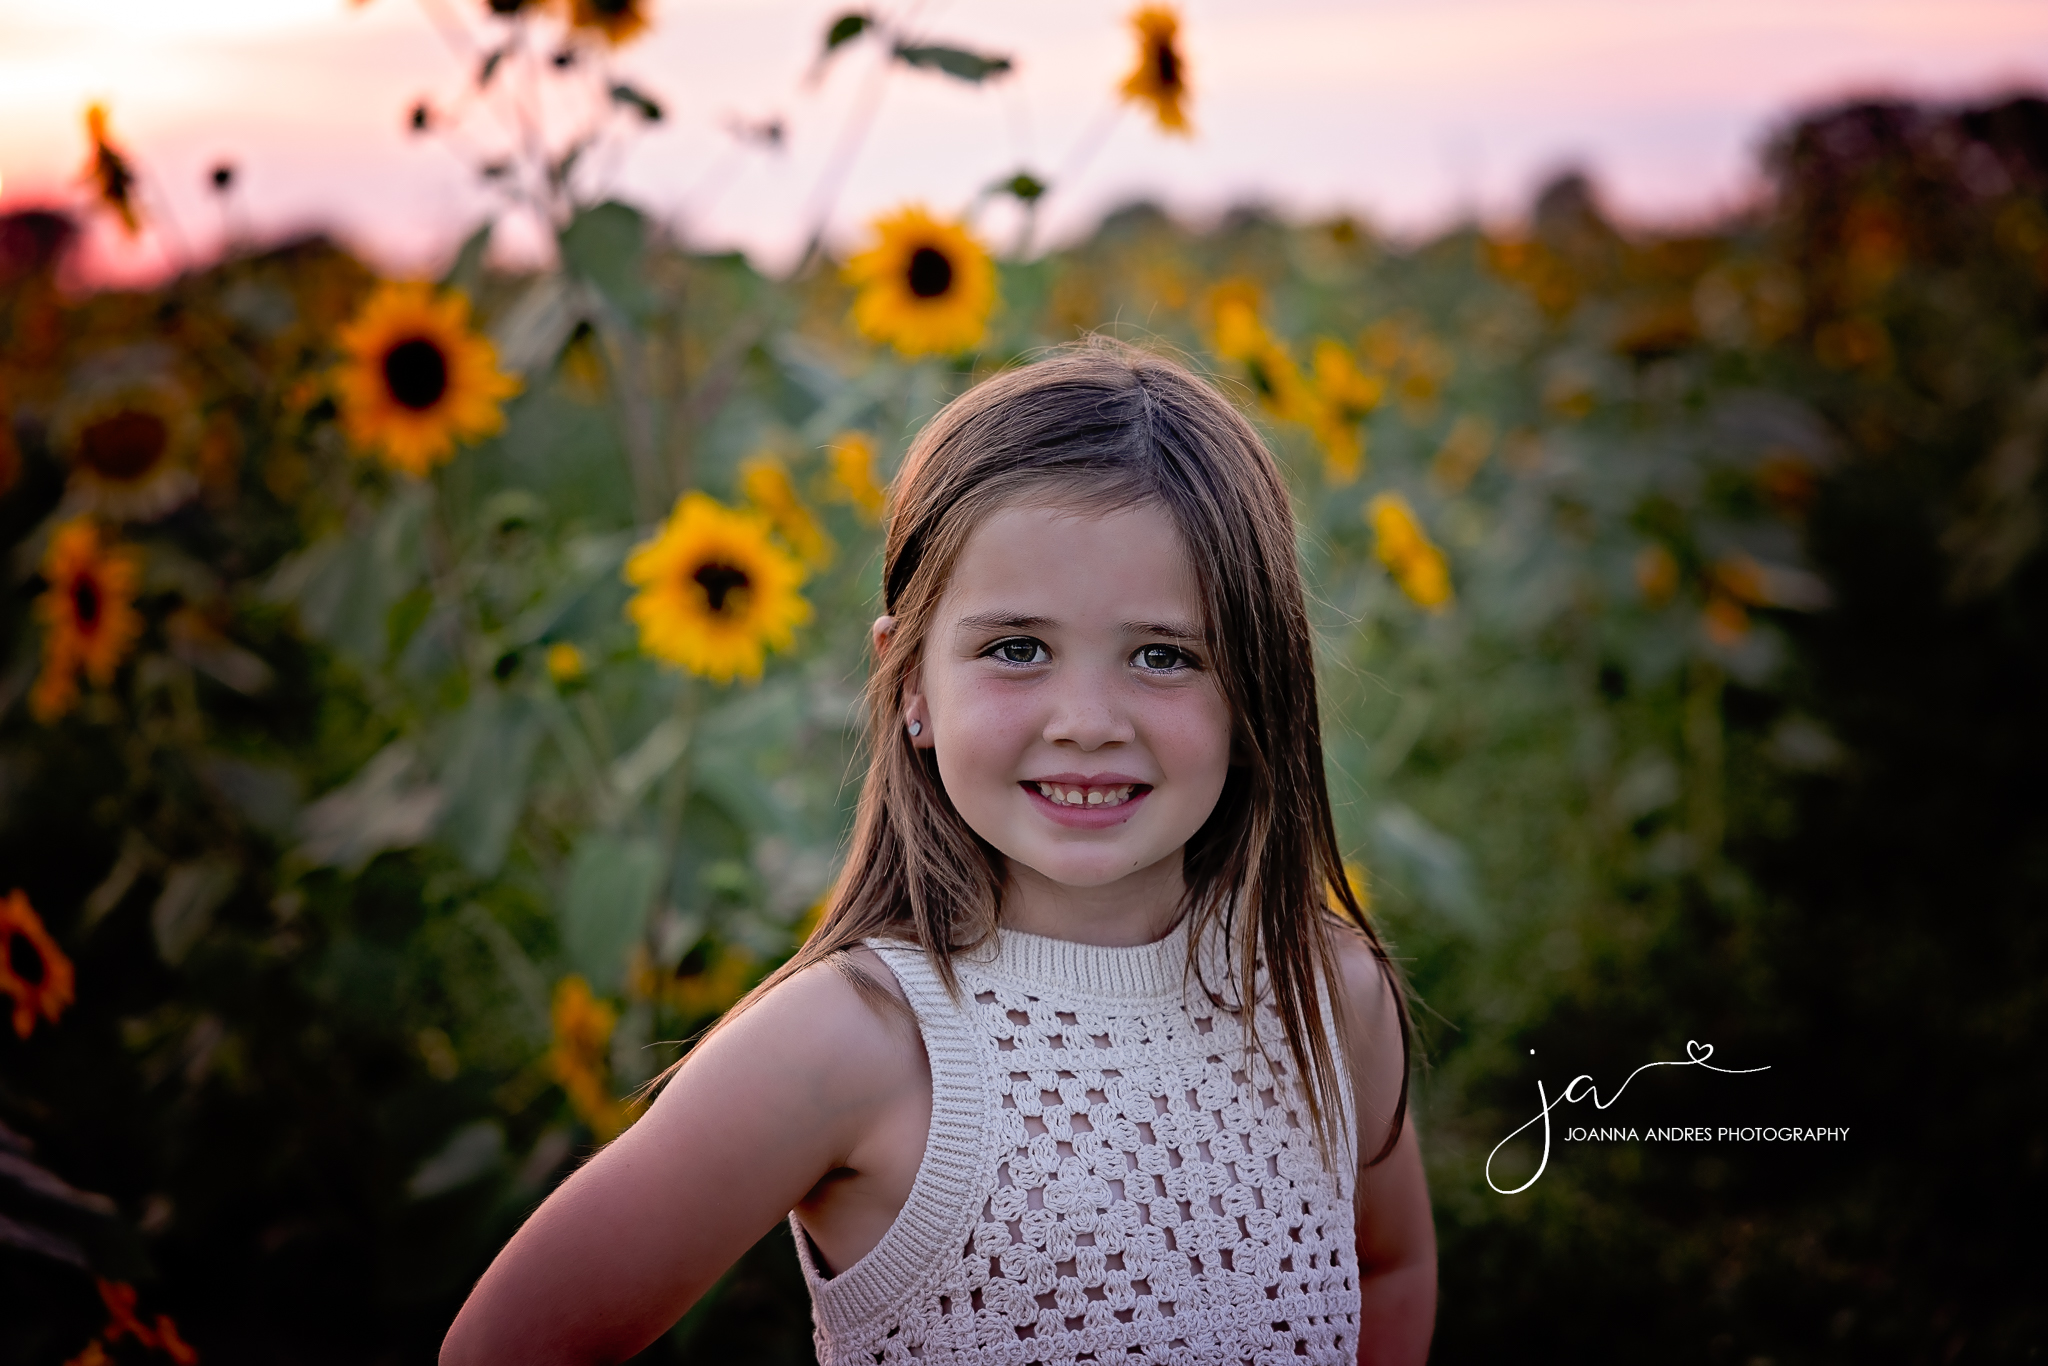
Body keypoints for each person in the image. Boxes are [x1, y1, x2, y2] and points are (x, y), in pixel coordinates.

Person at [441, 340, 1437, 1366]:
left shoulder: (1327, 992)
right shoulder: (850, 1045)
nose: (1086, 721)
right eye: (1016, 649)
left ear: (1258, 683)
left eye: (1162, 655)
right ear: (910, 681)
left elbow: (1387, 1267)